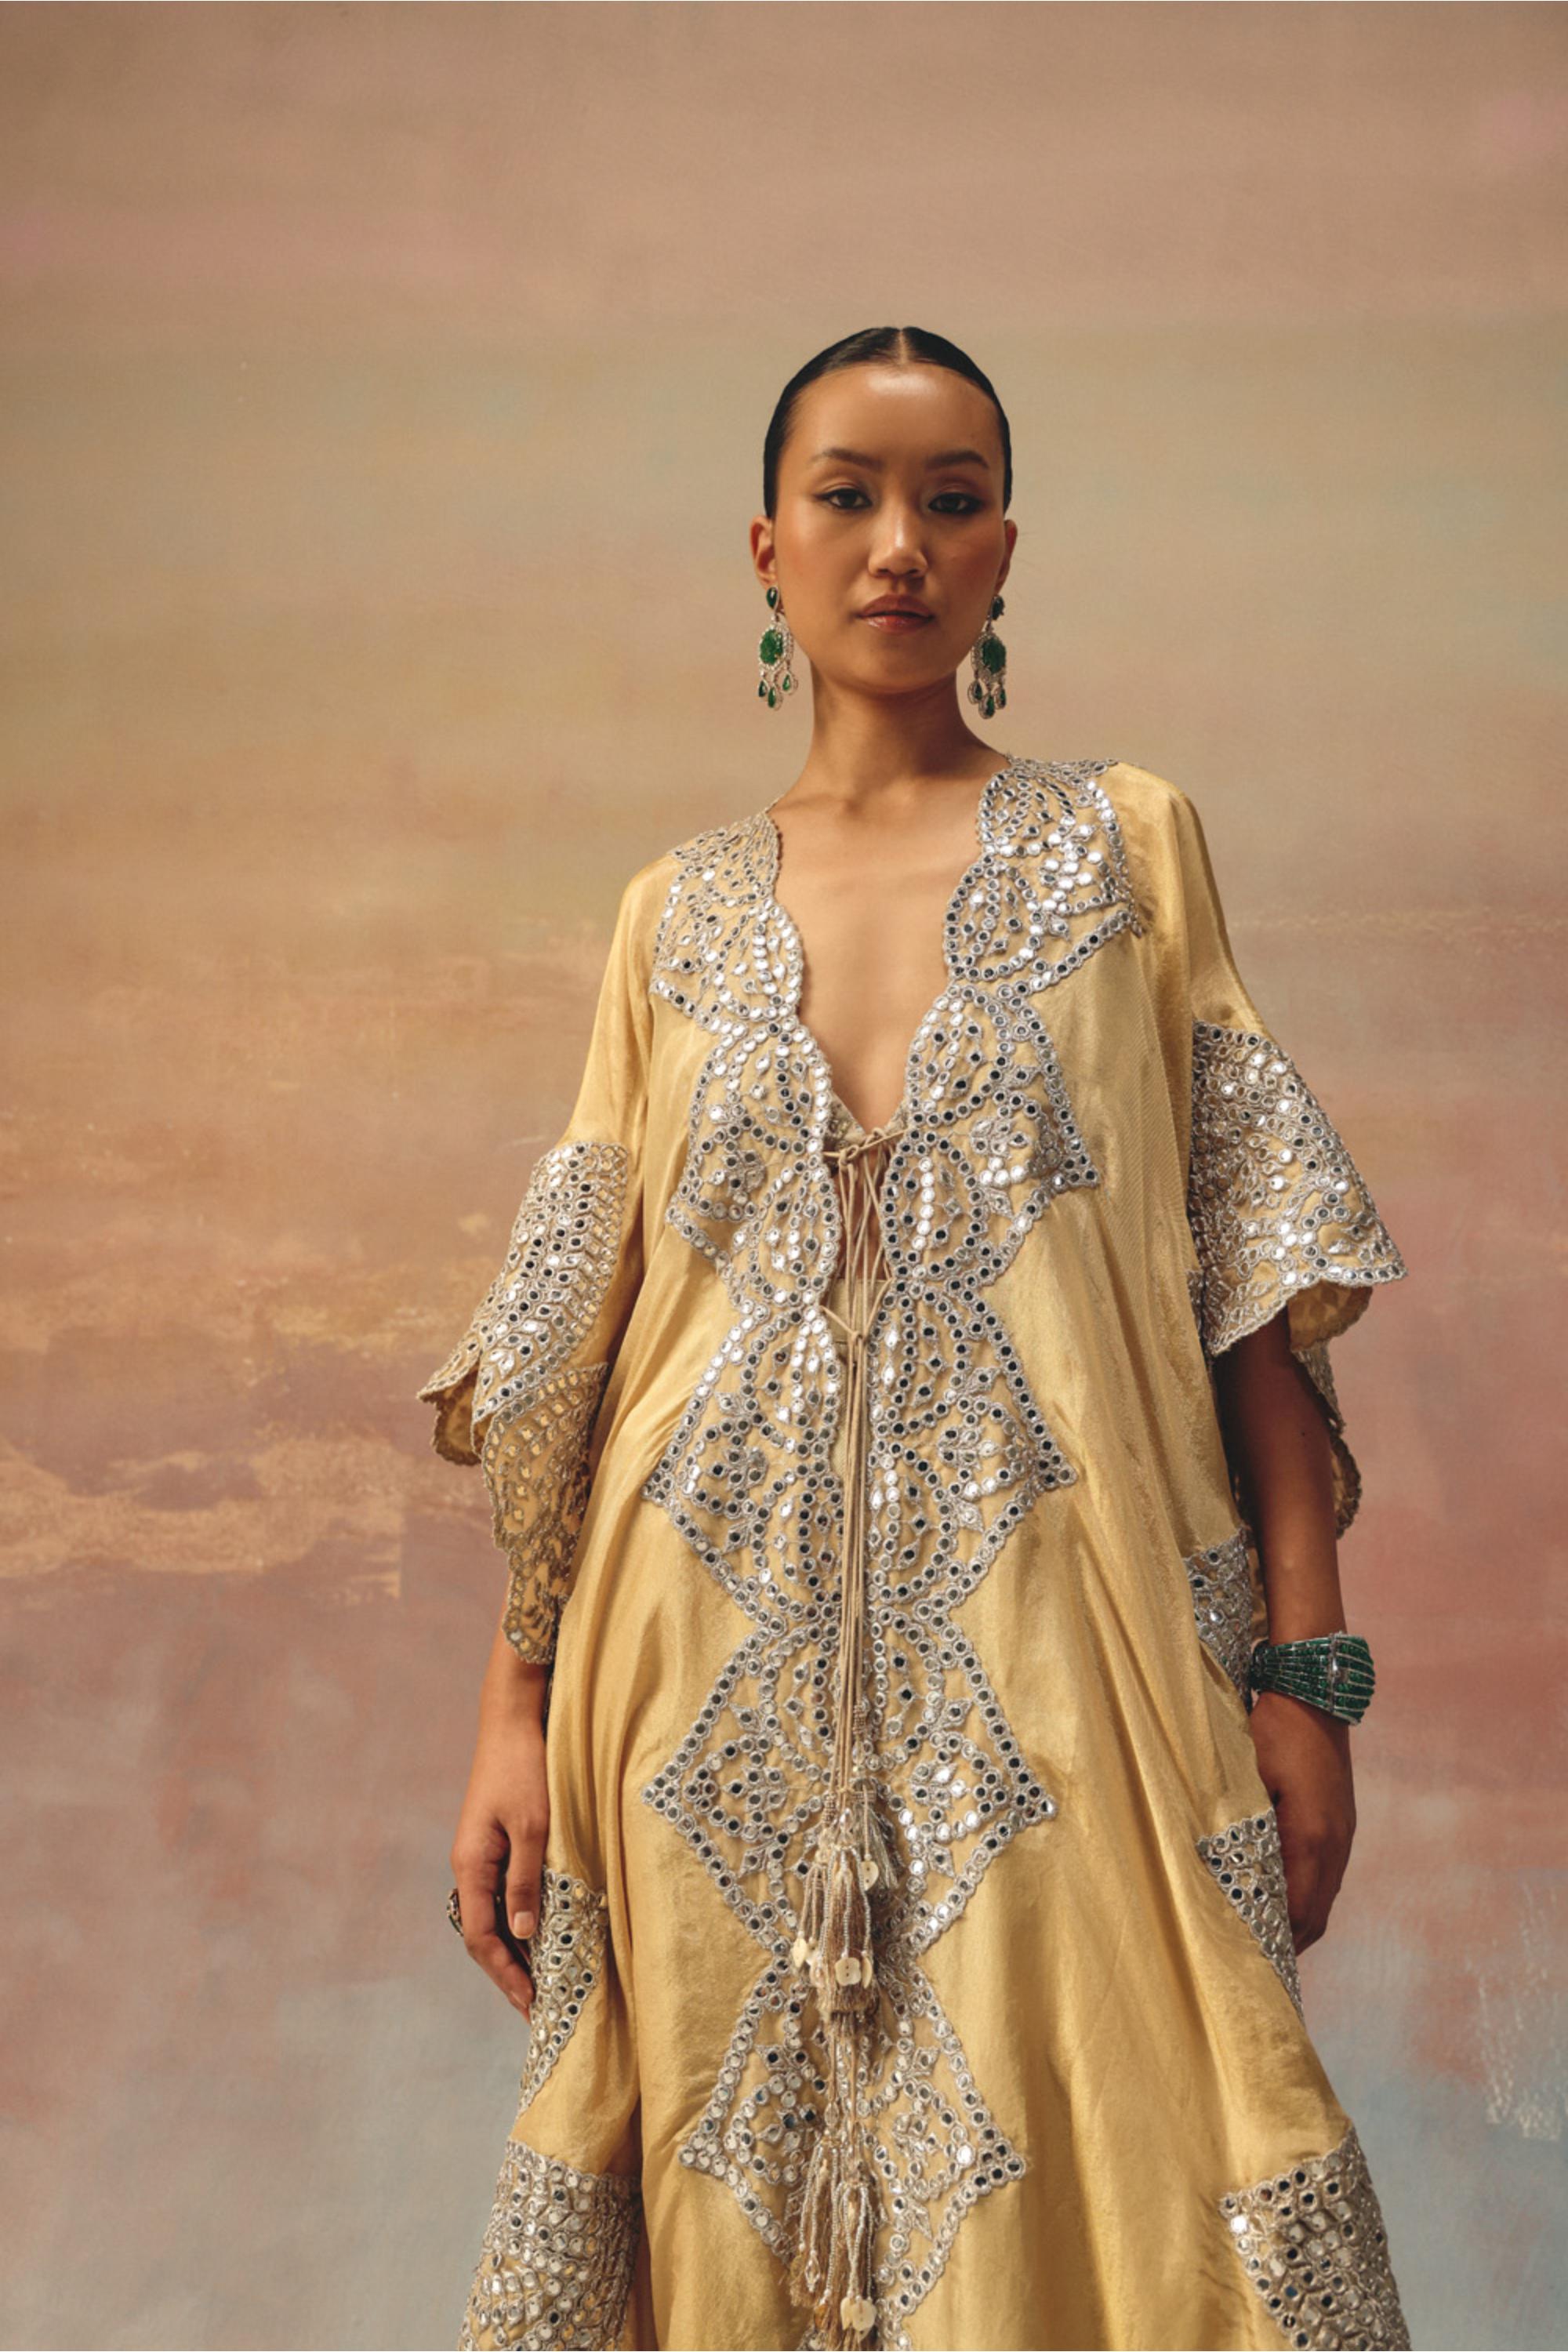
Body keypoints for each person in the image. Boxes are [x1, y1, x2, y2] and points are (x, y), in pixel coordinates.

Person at [419, 325, 1413, 2352]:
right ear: (765, 549)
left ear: (1005, 554)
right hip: (697, 1699)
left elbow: (1250, 1273)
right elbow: (575, 1351)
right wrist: (514, 1714)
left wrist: (1306, 1671)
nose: (900, 545)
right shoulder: (670, 918)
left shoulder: (1127, 850)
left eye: (951, 501)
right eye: (851, 497)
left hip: (1079, 1668)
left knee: (1143, 2171)